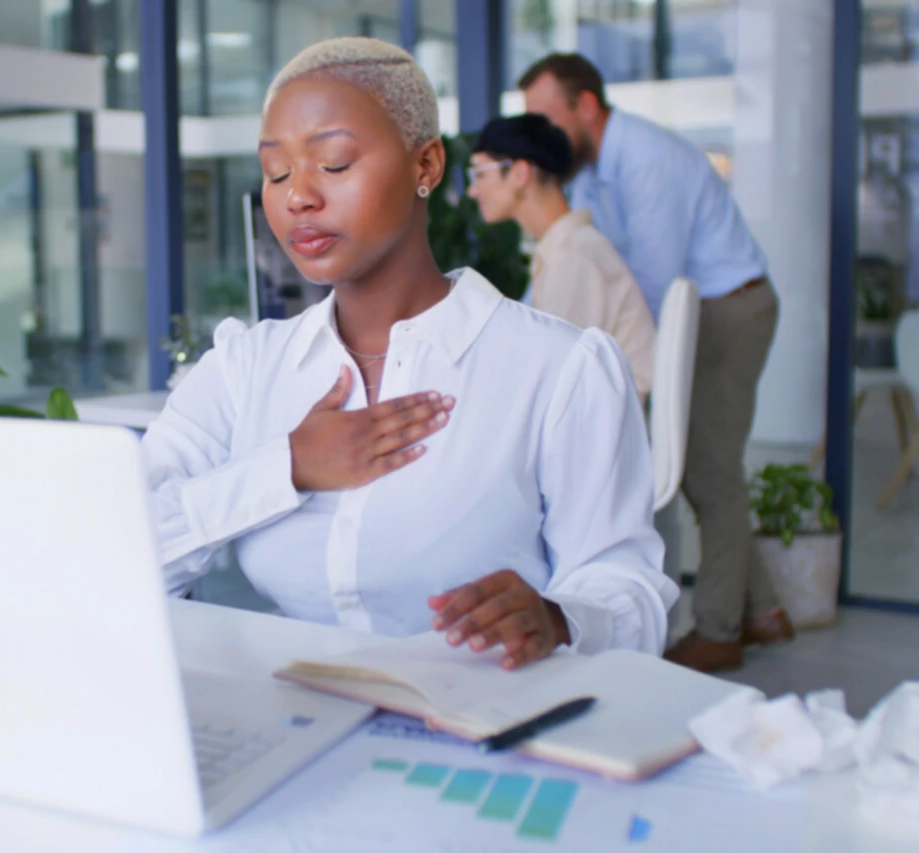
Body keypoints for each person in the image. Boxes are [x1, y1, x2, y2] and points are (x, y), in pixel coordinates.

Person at [142, 37, 676, 667]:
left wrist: (561, 619)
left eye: (334, 164)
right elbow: (116, 550)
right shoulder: (245, 367)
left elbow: (630, 590)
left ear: (426, 166)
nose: (297, 197)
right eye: (276, 172)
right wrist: (284, 467)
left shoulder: (558, 369)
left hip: (487, 727)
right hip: (294, 716)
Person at [519, 53, 788, 672]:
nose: (540, 131)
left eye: (544, 114)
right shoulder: (589, 167)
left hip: (728, 310)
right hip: (697, 309)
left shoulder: (644, 160)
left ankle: (720, 630)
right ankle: (764, 611)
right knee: (704, 463)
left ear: (585, 105)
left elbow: (647, 284)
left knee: (706, 468)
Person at [466, 114, 655, 402]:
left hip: (602, 427)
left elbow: (552, 378)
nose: (473, 190)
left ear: (519, 173)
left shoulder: (572, 256)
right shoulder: (565, 247)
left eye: (480, 174)